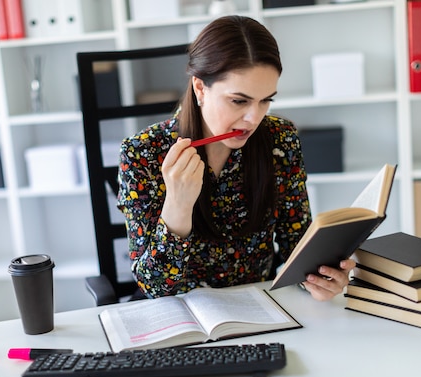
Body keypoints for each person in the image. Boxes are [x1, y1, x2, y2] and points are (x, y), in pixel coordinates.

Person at [117, 15, 355, 301]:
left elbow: (297, 249)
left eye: (266, 100)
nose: (254, 118)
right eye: (239, 101)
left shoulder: (281, 139)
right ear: (200, 88)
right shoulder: (142, 153)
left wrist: (319, 278)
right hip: (180, 319)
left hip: (262, 307)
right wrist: (178, 205)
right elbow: (153, 288)